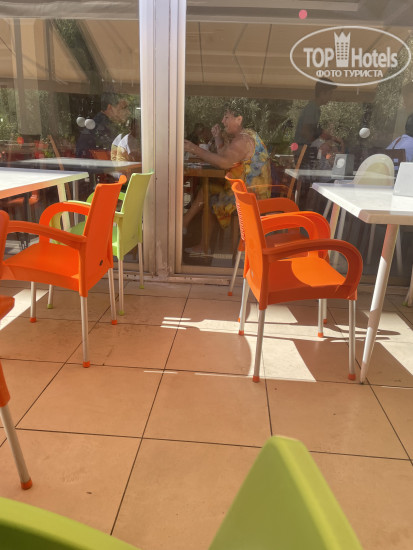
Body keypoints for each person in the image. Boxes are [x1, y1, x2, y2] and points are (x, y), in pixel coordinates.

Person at [183, 101, 271, 253]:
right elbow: (224, 155)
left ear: (239, 119)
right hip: (250, 192)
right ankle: (188, 229)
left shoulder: (243, 140)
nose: (223, 121)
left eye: (226, 117)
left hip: (251, 197)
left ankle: (189, 230)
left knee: (210, 195)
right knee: (208, 189)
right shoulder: (246, 136)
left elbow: (224, 163)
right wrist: (217, 137)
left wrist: (193, 148)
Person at [76, 93, 130, 158]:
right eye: (123, 108)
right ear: (110, 108)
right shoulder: (102, 129)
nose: (128, 112)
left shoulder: (100, 125)